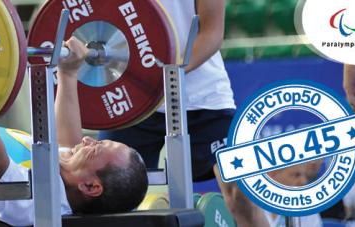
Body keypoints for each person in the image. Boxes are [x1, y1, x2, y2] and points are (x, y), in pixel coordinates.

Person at [97, 0, 269, 226]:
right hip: (133, 97)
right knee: (107, 196)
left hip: (203, 98)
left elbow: (212, 33)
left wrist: (168, 74)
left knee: (241, 195)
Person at [0, 37, 149, 226]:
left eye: (95, 148)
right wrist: (68, 73)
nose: (87, 140)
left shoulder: (39, 203)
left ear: (90, 186)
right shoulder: (65, 178)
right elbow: (67, 142)